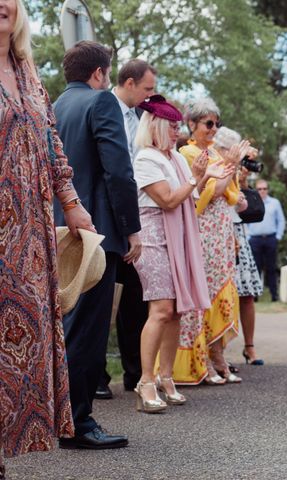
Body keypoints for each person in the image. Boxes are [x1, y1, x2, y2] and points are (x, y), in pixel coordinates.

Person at [0, 0, 93, 472]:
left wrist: (73, 204)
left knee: (20, 344)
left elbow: (52, 143)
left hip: (29, 238)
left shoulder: (28, 70)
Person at [53, 41, 141, 449]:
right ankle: (78, 423)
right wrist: (131, 230)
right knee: (88, 331)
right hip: (96, 234)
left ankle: (60, 416)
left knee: (66, 327)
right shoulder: (101, 103)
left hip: (60, 230)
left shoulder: (55, 107)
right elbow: (119, 172)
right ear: (100, 73)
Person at [132, 95, 228, 412]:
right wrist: (194, 176)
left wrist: (200, 176)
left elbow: (188, 194)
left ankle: (166, 376)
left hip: (178, 236)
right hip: (155, 237)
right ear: (157, 127)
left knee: (175, 311)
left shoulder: (173, 158)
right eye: (173, 127)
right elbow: (169, 200)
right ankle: (145, 381)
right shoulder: (146, 159)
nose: (177, 132)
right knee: (160, 309)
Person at [96, 59, 157, 399]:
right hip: (108, 220)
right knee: (102, 302)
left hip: (136, 220)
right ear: (129, 82)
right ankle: (98, 376)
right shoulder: (102, 107)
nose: (150, 95)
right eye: (147, 88)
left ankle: (135, 374)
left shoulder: (140, 118)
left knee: (135, 299)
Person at [175, 102, 248, 385]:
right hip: (202, 229)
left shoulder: (215, 153)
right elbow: (211, 191)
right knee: (204, 294)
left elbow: (231, 193)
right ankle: (201, 360)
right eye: (208, 123)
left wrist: (231, 167)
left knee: (222, 291)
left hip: (221, 230)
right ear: (192, 125)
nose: (214, 129)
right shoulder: (187, 153)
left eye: (217, 124)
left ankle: (217, 355)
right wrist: (232, 164)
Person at [235, 166, 265, 365]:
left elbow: (254, 211)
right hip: (216, 233)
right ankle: (215, 352)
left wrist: (243, 182)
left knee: (246, 295)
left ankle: (249, 346)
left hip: (238, 234)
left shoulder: (238, 178)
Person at [248, 179, 286, 302]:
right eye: (259, 189)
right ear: (256, 190)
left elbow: (281, 220)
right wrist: (248, 237)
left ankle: (274, 294)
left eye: (264, 188)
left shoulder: (275, 203)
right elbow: (246, 221)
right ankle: (255, 295)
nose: (262, 191)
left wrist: (278, 236)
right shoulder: (251, 202)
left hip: (270, 239)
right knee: (255, 268)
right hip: (255, 240)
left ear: (267, 189)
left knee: (271, 268)